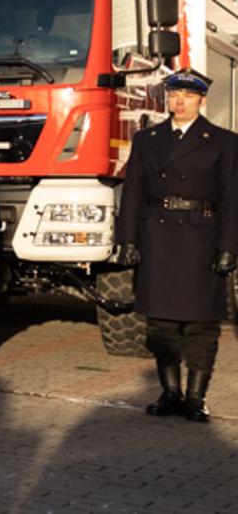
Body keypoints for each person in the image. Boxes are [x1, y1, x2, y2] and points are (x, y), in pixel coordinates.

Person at [116, 69, 238, 422]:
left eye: (187, 96)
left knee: (201, 325)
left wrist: (229, 247)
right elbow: (133, 193)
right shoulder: (147, 139)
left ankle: (196, 398)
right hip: (158, 238)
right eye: (173, 95)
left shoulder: (223, 141)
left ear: (202, 100)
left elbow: (233, 199)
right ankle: (170, 392)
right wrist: (127, 239)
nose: (179, 102)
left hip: (203, 238)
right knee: (161, 324)